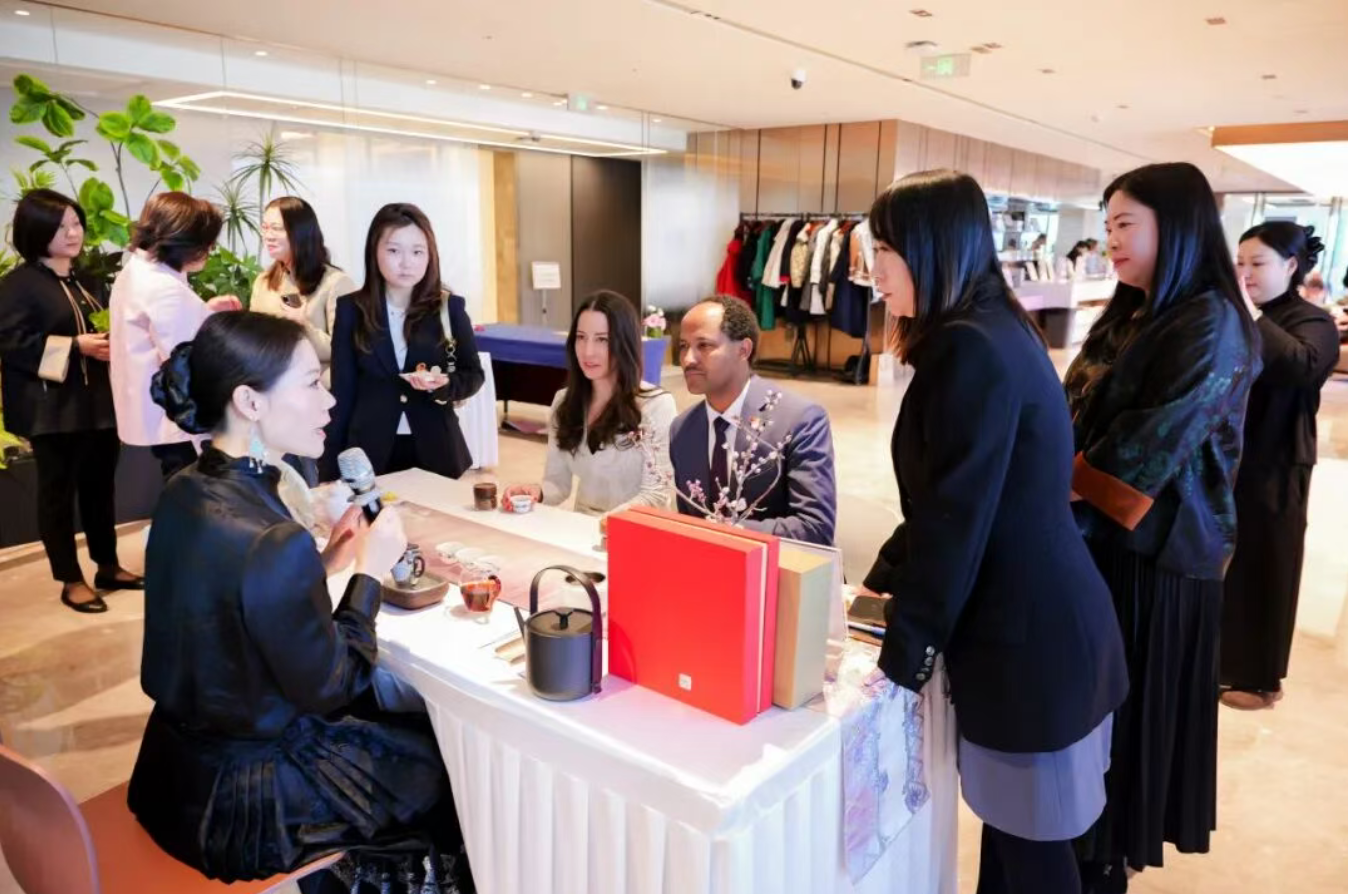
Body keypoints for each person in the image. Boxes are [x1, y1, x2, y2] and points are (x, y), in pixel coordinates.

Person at [126, 311, 473, 893]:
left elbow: (228, 601)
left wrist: (326, 562)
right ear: (250, 402)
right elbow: (337, 683)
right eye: (312, 384)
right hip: (247, 805)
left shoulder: (185, 489)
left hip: (169, 775)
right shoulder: (273, 537)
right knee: (443, 769)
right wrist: (369, 572)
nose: (329, 401)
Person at [861, 170, 1127, 894]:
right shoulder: (990, 328)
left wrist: (903, 657)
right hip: (1043, 630)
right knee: (1015, 844)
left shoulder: (970, 348)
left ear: (933, 247)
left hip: (1030, 646)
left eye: (885, 250)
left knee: (1036, 858)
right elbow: (953, 501)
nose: (874, 270)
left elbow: (958, 521)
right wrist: (881, 584)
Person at [1064, 162, 1260, 892]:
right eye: (1108, 224)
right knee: (1095, 723)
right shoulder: (1133, 313)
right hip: (1101, 544)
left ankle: (1105, 862)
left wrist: (1053, 476)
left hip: (1158, 558)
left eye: (1125, 224)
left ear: (1175, 227)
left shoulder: (1210, 321)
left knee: (1128, 728)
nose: (1111, 239)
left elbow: (1146, 451)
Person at [0, 189, 143, 612]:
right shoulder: (18, 286)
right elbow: (12, 345)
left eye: (76, 223)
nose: (72, 233)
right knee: (57, 495)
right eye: (60, 226)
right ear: (36, 231)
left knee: (100, 489)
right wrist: (75, 346)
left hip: (98, 404)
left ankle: (107, 565)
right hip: (52, 410)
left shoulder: (89, 280)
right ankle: (70, 578)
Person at [1220, 223, 1340, 710]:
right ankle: (1219, 661)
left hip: (1277, 460)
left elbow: (1301, 367)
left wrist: (1250, 315)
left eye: (1257, 263)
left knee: (1269, 562)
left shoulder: (1312, 320)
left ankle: (1261, 676)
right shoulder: (1232, 314)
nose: (1245, 273)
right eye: (1240, 263)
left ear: (1291, 266)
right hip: (1227, 456)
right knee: (1226, 562)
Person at [322, 203, 484, 481]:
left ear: (430, 255)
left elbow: (473, 374)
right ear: (374, 252)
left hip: (436, 445)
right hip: (370, 448)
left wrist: (444, 385)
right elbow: (343, 391)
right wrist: (330, 466)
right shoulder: (352, 309)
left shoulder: (449, 307)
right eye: (394, 251)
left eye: (417, 252)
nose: (407, 263)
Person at [668, 295, 836, 545]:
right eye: (683, 346)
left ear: (743, 350)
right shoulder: (683, 429)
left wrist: (725, 531)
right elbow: (690, 523)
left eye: (704, 345)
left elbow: (815, 528)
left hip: (781, 565)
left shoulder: (800, 420)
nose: (687, 359)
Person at [501, 290, 675, 517]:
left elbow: (656, 495)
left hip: (636, 527)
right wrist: (536, 492)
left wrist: (603, 523)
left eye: (602, 339)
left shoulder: (656, 405)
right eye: (581, 337)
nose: (588, 351)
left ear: (625, 343)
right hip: (583, 526)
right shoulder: (564, 402)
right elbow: (557, 484)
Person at [109, 192, 241, 480]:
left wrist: (204, 311)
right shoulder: (163, 287)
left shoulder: (137, 271)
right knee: (191, 488)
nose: (210, 249)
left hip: (153, 412)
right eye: (207, 243)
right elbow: (185, 360)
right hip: (177, 419)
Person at [250, 196, 356, 386]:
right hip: (271, 387)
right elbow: (254, 342)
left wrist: (303, 325)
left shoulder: (336, 283)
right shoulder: (263, 282)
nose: (268, 236)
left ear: (300, 232)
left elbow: (346, 350)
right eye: (265, 227)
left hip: (317, 389)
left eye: (277, 228)